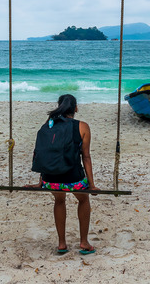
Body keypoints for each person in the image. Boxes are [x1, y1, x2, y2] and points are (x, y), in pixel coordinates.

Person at [25, 94, 99, 255]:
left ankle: (61, 244)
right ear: (76, 108)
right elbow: (86, 157)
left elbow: (42, 154)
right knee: (83, 199)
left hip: (50, 179)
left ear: (59, 107)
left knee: (59, 200)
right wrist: (92, 185)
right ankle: (84, 242)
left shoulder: (48, 126)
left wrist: (41, 181)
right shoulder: (82, 126)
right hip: (73, 179)